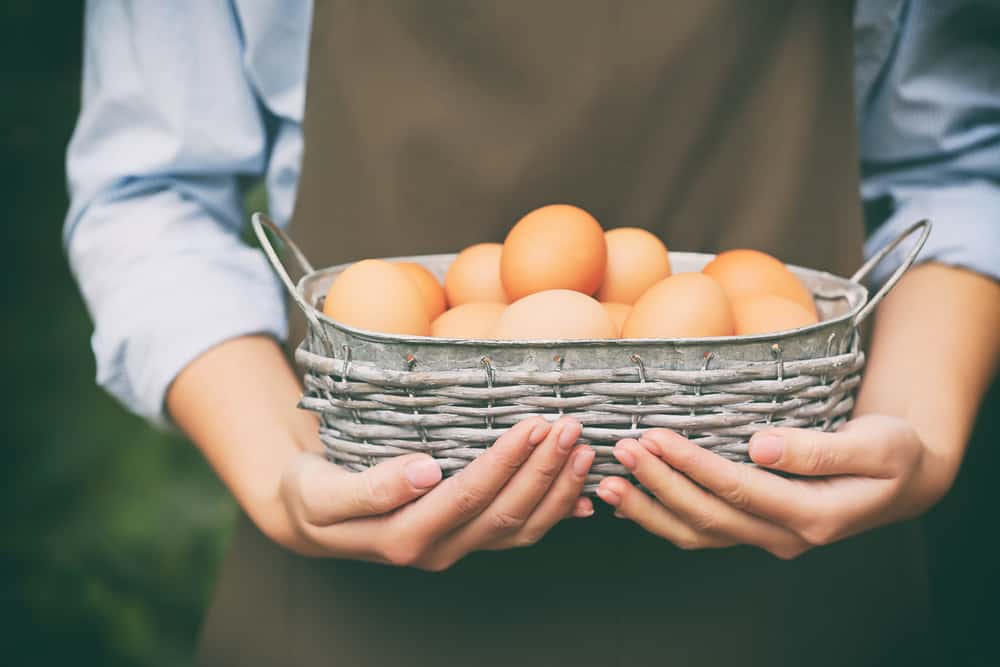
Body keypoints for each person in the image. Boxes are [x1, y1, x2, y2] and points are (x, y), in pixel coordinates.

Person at [65, 2, 999, 665]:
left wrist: (919, 425)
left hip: (802, 594)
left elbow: (958, 162)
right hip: (355, 594)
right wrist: (273, 461)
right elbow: (152, 195)